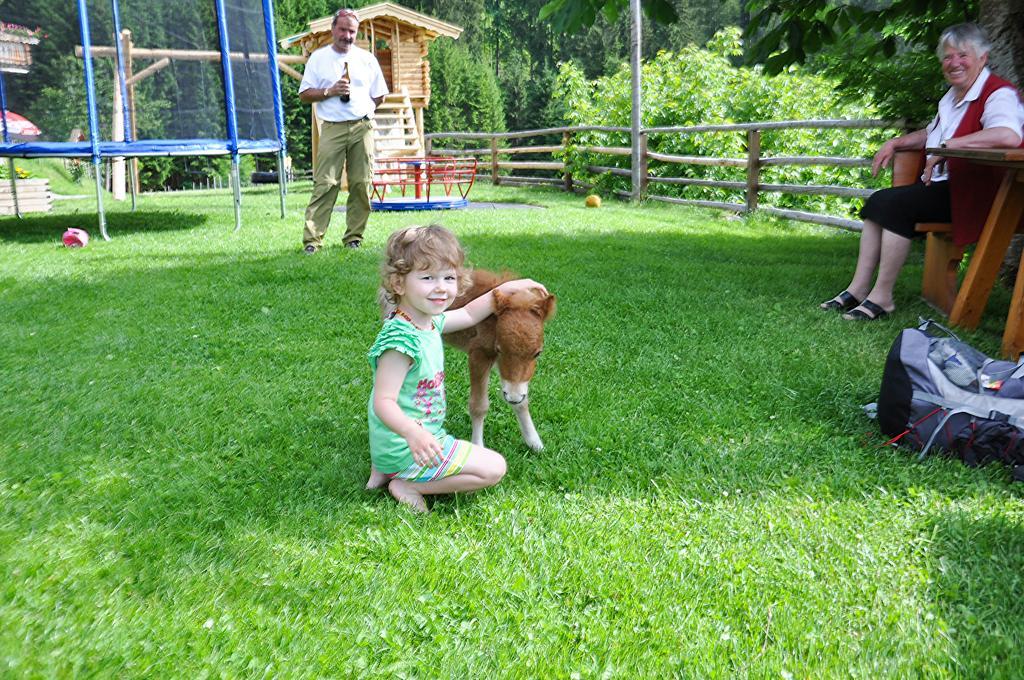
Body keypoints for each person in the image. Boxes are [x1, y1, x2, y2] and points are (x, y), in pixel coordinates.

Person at [820, 23, 1024, 320]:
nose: (954, 63)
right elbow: (931, 134)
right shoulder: (952, 97)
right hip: (946, 188)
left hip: (980, 194)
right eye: (947, 57)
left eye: (962, 56)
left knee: (895, 205)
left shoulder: (998, 94)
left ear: (982, 58)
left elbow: (1007, 135)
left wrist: (948, 146)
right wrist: (896, 142)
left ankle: (883, 297)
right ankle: (859, 288)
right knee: (879, 201)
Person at [365, 225, 547, 513]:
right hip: (413, 446)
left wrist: (508, 288)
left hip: (397, 444)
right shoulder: (400, 341)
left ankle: (384, 469)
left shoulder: (427, 322)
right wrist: (414, 435)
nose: (441, 287)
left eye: (448, 278)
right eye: (428, 278)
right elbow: (382, 402)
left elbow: (468, 312)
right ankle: (408, 484)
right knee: (495, 468)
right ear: (398, 284)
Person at [298, 8, 389, 254]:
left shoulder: (367, 59)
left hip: (363, 127)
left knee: (361, 183)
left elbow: (379, 94)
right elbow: (305, 94)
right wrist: (329, 91)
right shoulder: (319, 58)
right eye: (343, 29)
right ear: (332, 29)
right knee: (326, 183)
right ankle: (312, 241)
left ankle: (354, 238)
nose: (347, 35)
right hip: (332, 129)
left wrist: (365, 111)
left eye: (352, 31)